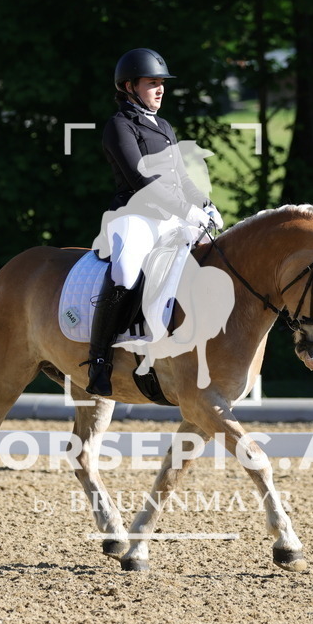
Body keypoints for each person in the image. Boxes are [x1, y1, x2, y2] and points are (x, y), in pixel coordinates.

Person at [83, 48, 222, 396]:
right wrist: (184, 209)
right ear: (129, 86)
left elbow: (182, 178)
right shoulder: (119, 126)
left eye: (162, 84)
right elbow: (140, 179)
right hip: (134, 216)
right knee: (127, 271)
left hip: (171, 217)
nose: (160, 90)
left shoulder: (163, 126)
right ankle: (99, 359)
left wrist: (204, 204)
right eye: (152, 83)